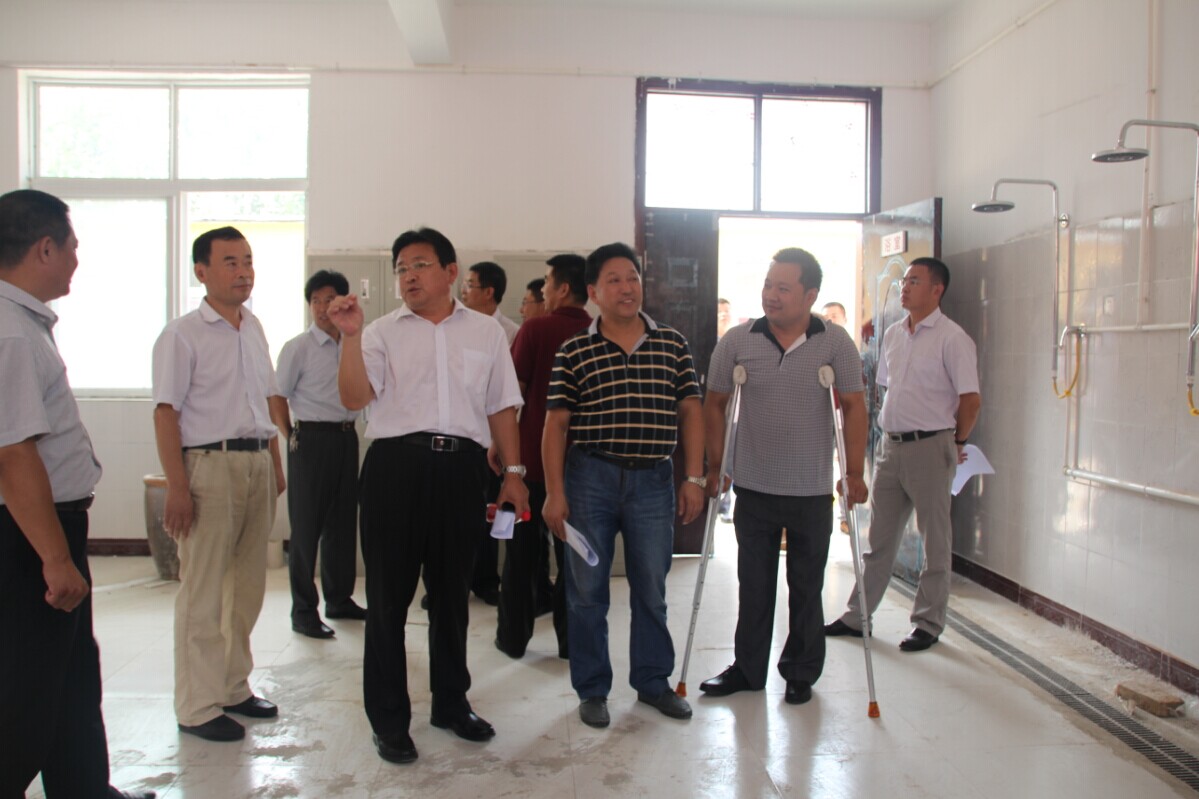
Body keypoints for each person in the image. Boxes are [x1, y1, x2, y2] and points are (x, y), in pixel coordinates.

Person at [328, 227, 528, 765]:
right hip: (395, 467)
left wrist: (513, 473)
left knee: (452, 595)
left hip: (462, 470)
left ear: (450, 272)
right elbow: (353, 398)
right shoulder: (378, 333)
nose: (409, 276)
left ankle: (451, 703)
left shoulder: (486, 333)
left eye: (419, 264)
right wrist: (349, 337)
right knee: (388, 600)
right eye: (401, 268)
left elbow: (501, 405)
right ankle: (389, 720)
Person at [0, 190, 154, 799]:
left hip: (50, 526)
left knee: (70, 673)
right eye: (72, 248)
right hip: (31, 533)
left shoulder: (25, 322)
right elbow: (13, 455)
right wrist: (55, 558)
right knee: (29, 684)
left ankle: (84, 788)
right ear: (45, 249)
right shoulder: (12, 333)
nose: (76, 261)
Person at [542, 242, 705, 729]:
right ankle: (592, 689)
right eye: (613, 280)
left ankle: (653, 682)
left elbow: (691, 411)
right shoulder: (575, 349)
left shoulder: (672, 344)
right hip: (589, 480)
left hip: (653, 481)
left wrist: (693, 477)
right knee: (586, 590)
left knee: (651, 588)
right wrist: (554, 491)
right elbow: (556, 424)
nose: (626, 287)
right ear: (593, 292)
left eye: (632, 277)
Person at [698, 248, 867, 706]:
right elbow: (714, 403)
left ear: (810, 295)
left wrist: (854, 472)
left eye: (783, 288)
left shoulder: (835, 343)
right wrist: (715, 466)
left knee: (807, 587)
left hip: (811, 489)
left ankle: (800, 671)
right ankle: (747, 669)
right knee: (753, 585)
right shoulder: (738, 340)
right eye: (768, 285)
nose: (771, 295)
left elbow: (854, 407)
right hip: (754, 485)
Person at [153, 226, 285, 743]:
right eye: (230, 262)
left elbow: (265, 401)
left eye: (248, 260)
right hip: (208, 466)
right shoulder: (182, 335)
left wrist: (274, 463)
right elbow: (166, 413)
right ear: (201, 272)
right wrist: (177, 486)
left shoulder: (253, 328)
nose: (244, 271)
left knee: (246, 588)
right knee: (203, 590)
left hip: (255, 463)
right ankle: (197, 704)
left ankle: (233, 686)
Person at [825, 257, 980, 652]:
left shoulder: (952, 338)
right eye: (904, 281)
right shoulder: (894, 333)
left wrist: (958, 442)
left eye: (914, 281)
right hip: (891, 448)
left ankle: (927, 623)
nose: (904, 288)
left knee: (935, 541)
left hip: (932, 448)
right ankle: (858, 616)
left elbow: (971, 400)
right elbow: (885, 389)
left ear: (936, 290)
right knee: (878, 540)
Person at [494, 254, 591, 660]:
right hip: (583, 470)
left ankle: (513, 639)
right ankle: (572, 645)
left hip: (530, 466)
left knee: (520, 555)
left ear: (563, 288)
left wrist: (500, 447)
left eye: (548, 282)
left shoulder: (535, 329)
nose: (545, 289)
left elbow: (510, 394)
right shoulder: (598, 331)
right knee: (574, 559)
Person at [269, 270, 365, 640]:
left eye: (329, 299)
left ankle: (339, 599)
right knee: (307, 528)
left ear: (344, 302)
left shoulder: (354, 343)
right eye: (315, 301)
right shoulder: (298, 347)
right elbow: (277, 395)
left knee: (342, 524)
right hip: (310, 440)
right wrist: (290, 434)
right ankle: (303, 611)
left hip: (346, 438)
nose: (322, 308)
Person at [460, 260, 519, 605]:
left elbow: (510, 395)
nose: (463, 291)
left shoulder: (510, 333)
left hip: (493, 439)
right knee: (455, 515)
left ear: (488, 292)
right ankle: (452, 580)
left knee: (490, 511)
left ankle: (484, 579)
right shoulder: (459, 328)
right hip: (464, 437)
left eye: (470, 285)